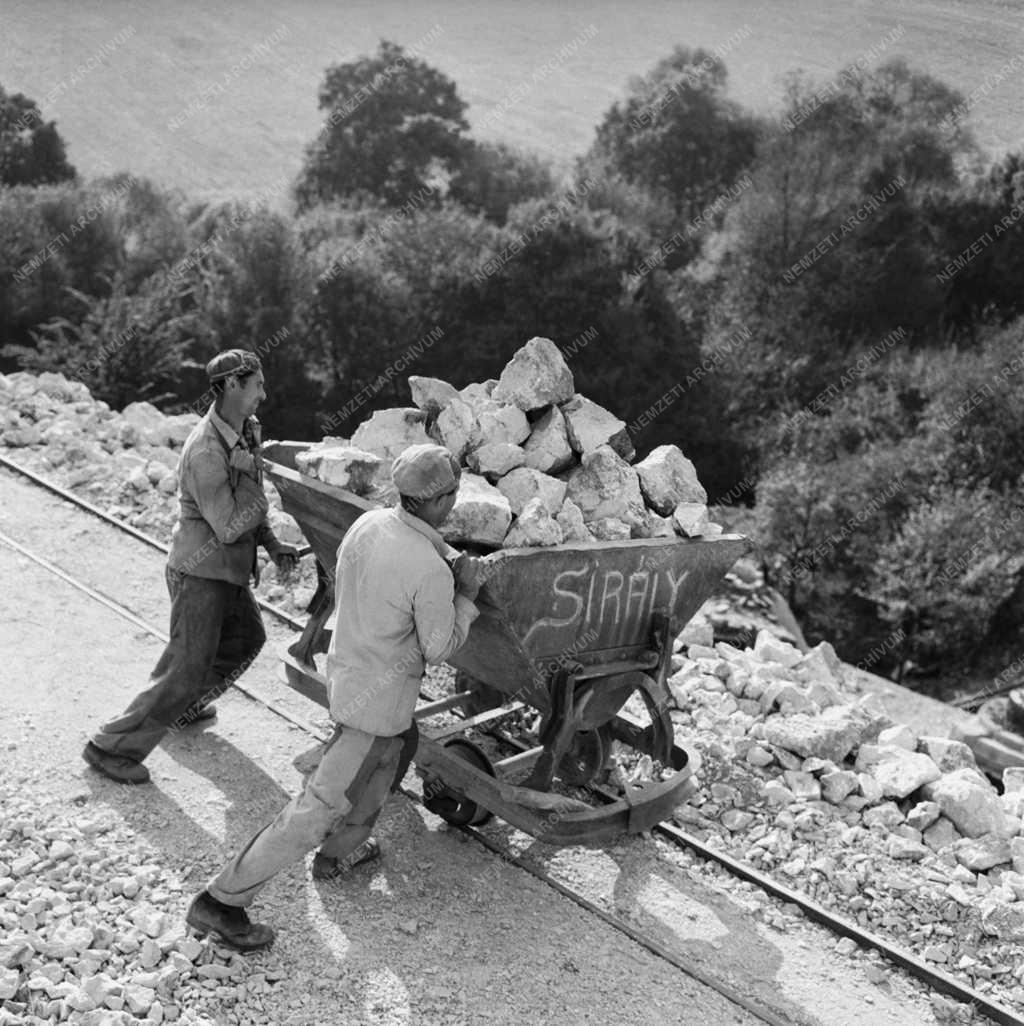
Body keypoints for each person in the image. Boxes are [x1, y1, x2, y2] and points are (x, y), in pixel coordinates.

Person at [185, 443, 480, 951]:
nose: (454, 502)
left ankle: (338, 853)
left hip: (351, 681)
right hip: (376, 705)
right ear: (438, 502)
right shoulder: (428, 569)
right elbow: (439, 647)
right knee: (315, 810)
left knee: (386, 764)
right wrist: (467, 597)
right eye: (452, 493)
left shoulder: (367, 526)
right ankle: (221, 901)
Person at [83, 348, 299, 785]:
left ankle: (184, 708)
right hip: (200, 574)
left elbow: (250, 507)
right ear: (233, 386)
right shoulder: (206, 450)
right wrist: (249, 485)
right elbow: (230, 524)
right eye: (257, 384)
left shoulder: (246, 430)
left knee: (244, 640)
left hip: (229, 573)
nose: (264, 393)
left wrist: (273, 545)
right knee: (184, 667)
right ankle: (111, 746)